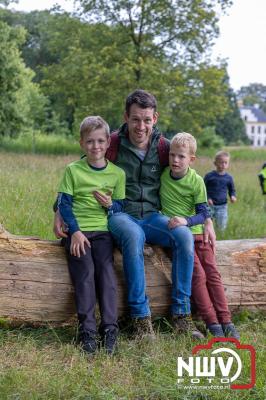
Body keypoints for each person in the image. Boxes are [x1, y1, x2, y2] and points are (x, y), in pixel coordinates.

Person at [54, 89, 216, 340]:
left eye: (147, 120)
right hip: (121, 214)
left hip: (152, 215)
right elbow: (80, 172)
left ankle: (181, 315)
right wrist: (58, 210)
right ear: (126, 117)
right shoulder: (113, 143)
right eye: (135, 119)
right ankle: (141, 319)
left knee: (183, 236)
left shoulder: (163, 148)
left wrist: (206, 219)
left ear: (155, 118)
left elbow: (189, 177)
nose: (141, 126)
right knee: (132, 235)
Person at [160, 132, 240, 339]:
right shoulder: (162, 176)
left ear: (191, 159)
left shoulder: (196, 181)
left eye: (181, 156)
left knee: (212, 275)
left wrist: (187, 221)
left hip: (197, 234)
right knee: (198, 276)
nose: (175, 160)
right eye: (172, 155)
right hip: (178, 238)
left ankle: (227, 321)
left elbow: (204, 213)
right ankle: (212, 323)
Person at [57, 116, 126, 355]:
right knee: (85, 273)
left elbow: (120, 207)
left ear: (108, 142)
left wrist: (110, 205)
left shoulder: (117, 174)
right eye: (89, 142)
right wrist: (74, 231)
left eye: (99, 141)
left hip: (103, 233)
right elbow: (64, 204)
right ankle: (87, 331)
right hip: (78, 233)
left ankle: (110, 329)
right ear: (81, 143)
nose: (95, 146)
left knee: (106, 274)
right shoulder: (73, 170)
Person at [204, 151, 237, 232]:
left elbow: (232, 190)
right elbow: (203, 189)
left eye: (226, 163)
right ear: (215, 163)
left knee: (221, 226)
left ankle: (220, 237)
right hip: (209, 205)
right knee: (208, 225)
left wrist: (233, 196)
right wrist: (208, 198)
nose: (223, 165)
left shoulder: (229, 178)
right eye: (221, 162)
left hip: (222, 206)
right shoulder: (209, 176)